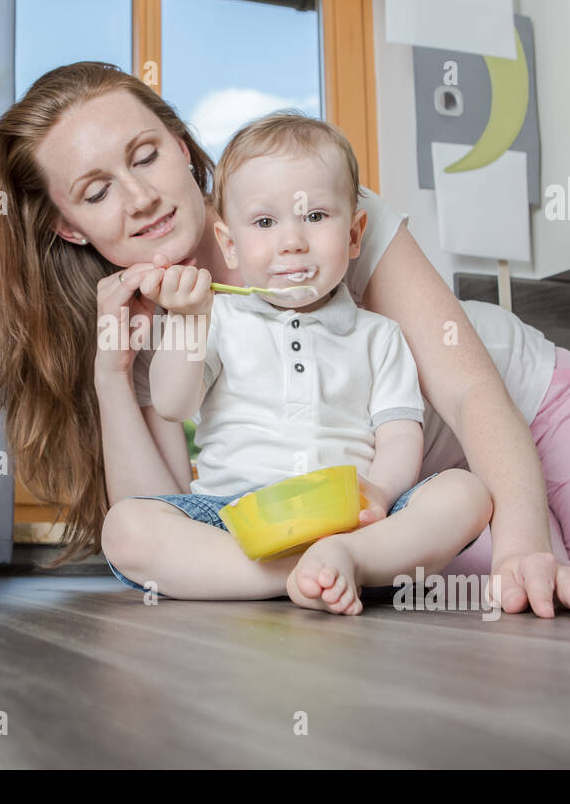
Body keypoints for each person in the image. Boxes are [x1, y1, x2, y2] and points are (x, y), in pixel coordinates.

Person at [0, 60, 570, 623]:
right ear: (67, 225)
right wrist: (112, 374)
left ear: (180, 147)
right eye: (96, 190)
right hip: (396, 514)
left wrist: (525, 542)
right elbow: (162, 521)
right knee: (534, 683)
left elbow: (466, 388)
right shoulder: (145, 323)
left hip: (536, 419)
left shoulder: (313, 210)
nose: (138, 198)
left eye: (144, 156)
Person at [113, 112, 493, 614]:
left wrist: (379, 493)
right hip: (233, 517)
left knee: (465, 492)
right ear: (229, 244)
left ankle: (346, 557)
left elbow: (399, 433)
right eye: (265, 222)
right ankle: (305, 573)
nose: (292, 240)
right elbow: (171, 403)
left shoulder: (379, 335)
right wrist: (185, 321)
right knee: (124, 528)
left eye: (315, 216)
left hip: (351, 517)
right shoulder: (215, 318)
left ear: (354, 234)